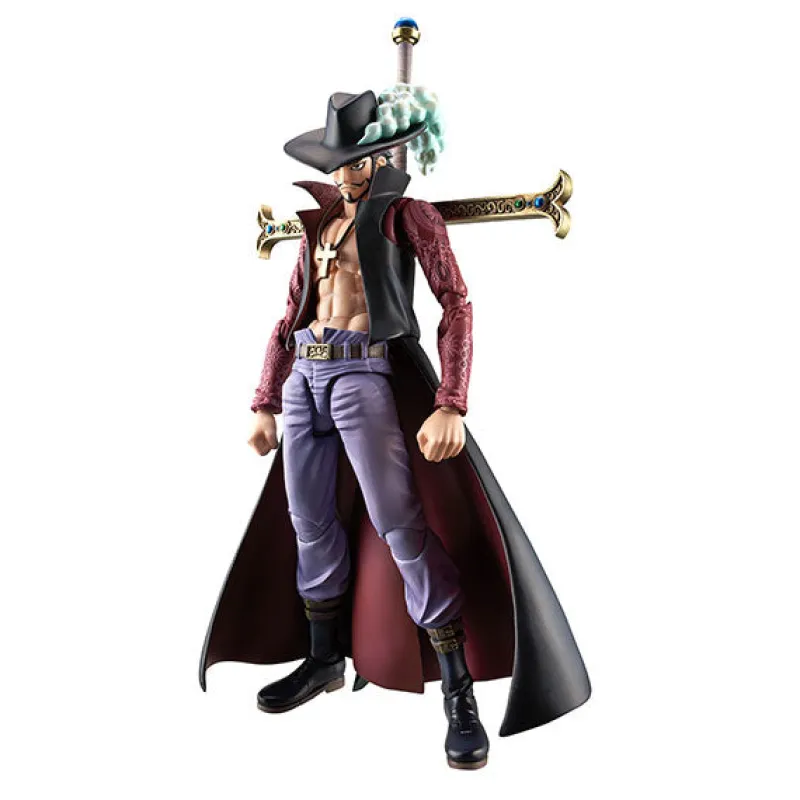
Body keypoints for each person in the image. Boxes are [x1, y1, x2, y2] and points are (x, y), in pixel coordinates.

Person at [200, 88, 590, 771]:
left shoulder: (407, 217)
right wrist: (265, 398)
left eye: (357, 162)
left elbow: (455, 302)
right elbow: (290, 316)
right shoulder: (319, 225)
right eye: (337, 163)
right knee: (308, 522)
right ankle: (323, 658)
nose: (346, 175)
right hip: (306, 377)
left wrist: (451, 401)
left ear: (382, 159)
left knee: (401, 527)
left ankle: (458, 689)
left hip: (363, 375)